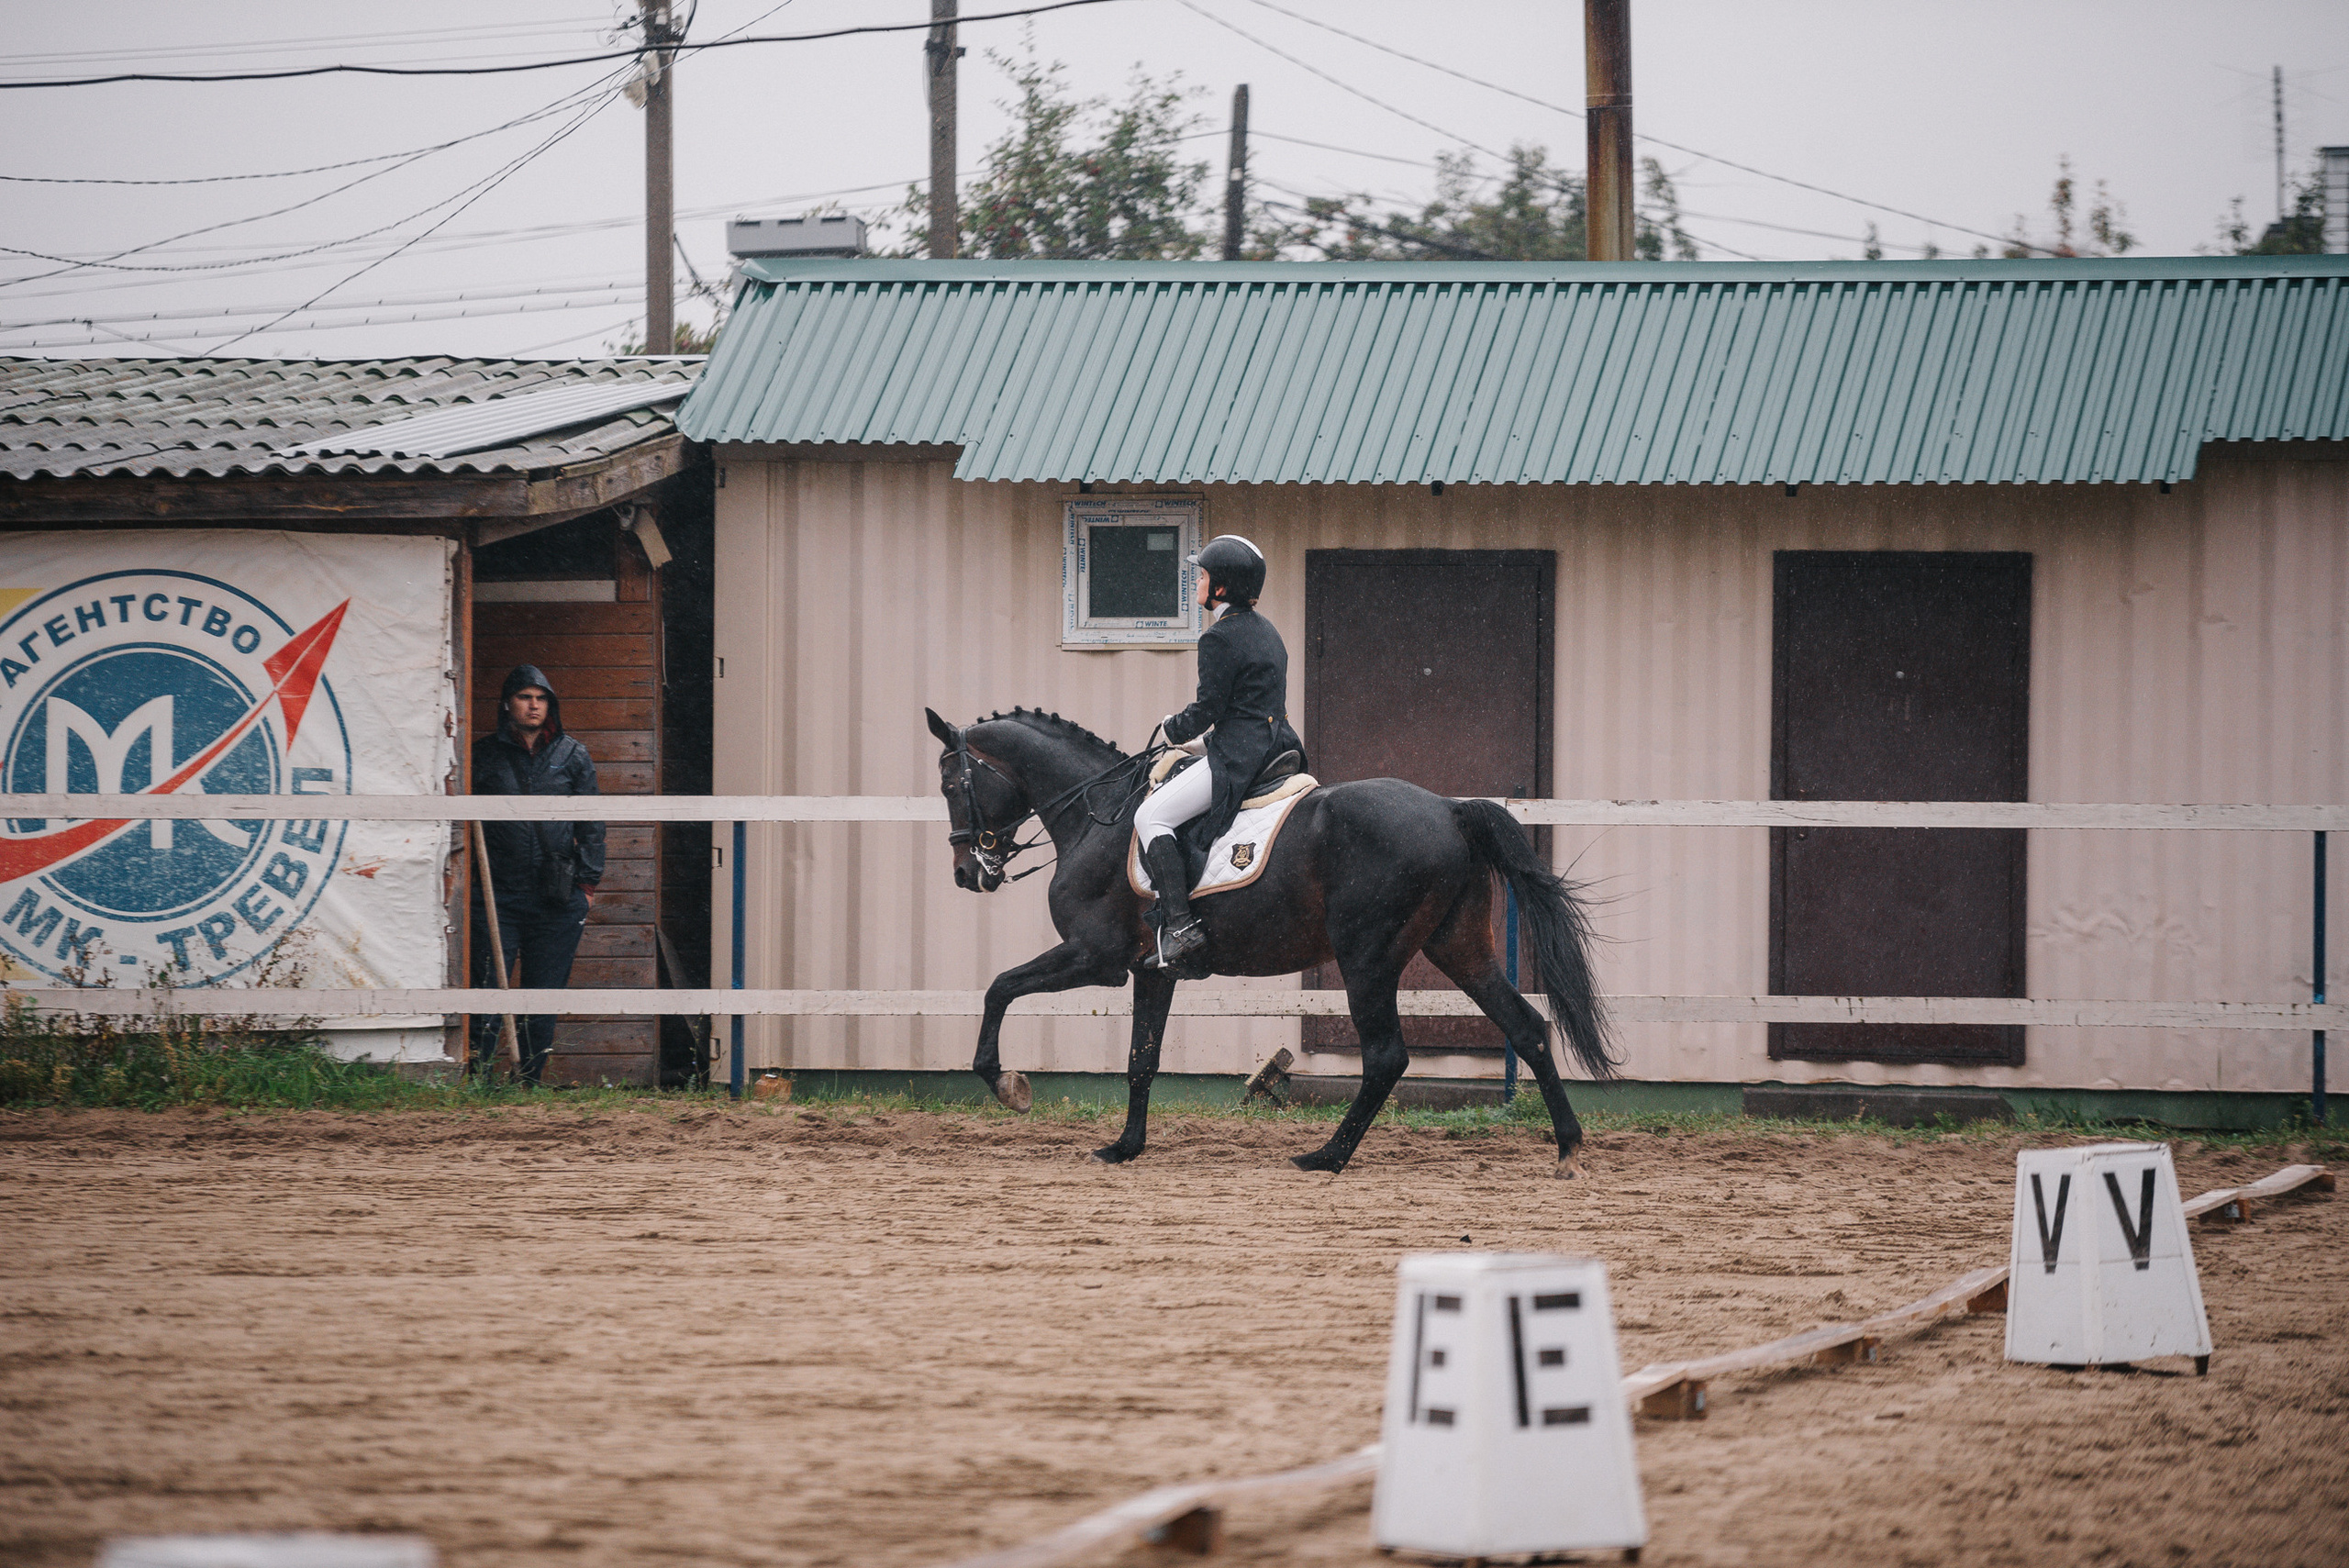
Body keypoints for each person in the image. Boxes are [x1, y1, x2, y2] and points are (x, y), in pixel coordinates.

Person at [1134, 535, 1305, 966]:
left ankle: (1180, 926)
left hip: (1239, 757)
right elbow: (1249, 706)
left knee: (1150, 815)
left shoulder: (1220, 638)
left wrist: (1173, 727)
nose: (1198, 585)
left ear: (1222, 588)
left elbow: (1209, 708)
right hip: (1276, 745)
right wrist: (1202, 743)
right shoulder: (1268, 632)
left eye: (1203, 576)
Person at [470, 664, 604, 1084]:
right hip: (498, 895)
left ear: (551, 705)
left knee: (543, 997)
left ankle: (527, 1081)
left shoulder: (572, 754)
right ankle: (478, 1080)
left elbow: (592, 823)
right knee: (488, 992)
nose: (533, 705)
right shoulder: (484, 755)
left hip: (557, 895)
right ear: (507, 704)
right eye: (525, 697)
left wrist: (587, 883)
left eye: (541, 697)